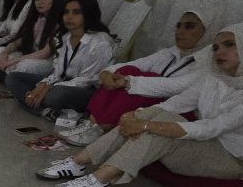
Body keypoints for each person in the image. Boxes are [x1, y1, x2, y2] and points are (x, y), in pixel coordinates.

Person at [38, 23, 243, 187]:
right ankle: (81, 161)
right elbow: (176, 103)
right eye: (215, 47)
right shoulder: (215, 76)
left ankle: (101, 178)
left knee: (158, 129)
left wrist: (146, 125)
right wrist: (137, 117)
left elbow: (214, 127)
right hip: (202, 142)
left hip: (228, 158)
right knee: (157, 115)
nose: (219, 52)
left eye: (229, 45)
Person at [72, 8, 211, 141]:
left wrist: (128, 81)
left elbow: (175, 87)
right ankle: (92, 124)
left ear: (207, 32)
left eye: (189, 26)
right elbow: (135, 64)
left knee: (144, 78)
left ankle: (101, 126)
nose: (180, 31)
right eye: (179, 26)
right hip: (147, 105)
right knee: (127, 70)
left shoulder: (207, 64)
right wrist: (106, 73)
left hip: (176, 111)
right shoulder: (168, 53)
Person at [6, 0, 116, 116]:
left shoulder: (100, 42)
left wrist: (49, 87)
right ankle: (41, 107)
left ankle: (32, 103)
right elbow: (58, 72)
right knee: (12, 78)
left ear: (88, 13)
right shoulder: (65, 37)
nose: (69, 17)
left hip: (85, 89)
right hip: (61, 82)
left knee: (56, 95)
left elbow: (87, 80)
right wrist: (44, 84)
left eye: (76, 12)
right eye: (66, 12)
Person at [0, 0, 64, 81]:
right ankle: (8, 74)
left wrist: (11, 62)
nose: (40, 2)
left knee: (24, 65)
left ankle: (4, 72)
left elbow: (43, 54)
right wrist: (4, 54)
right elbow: (17, 42)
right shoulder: (36, 19)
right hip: (28, 56)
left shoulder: (61, 24)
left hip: (46, 62)